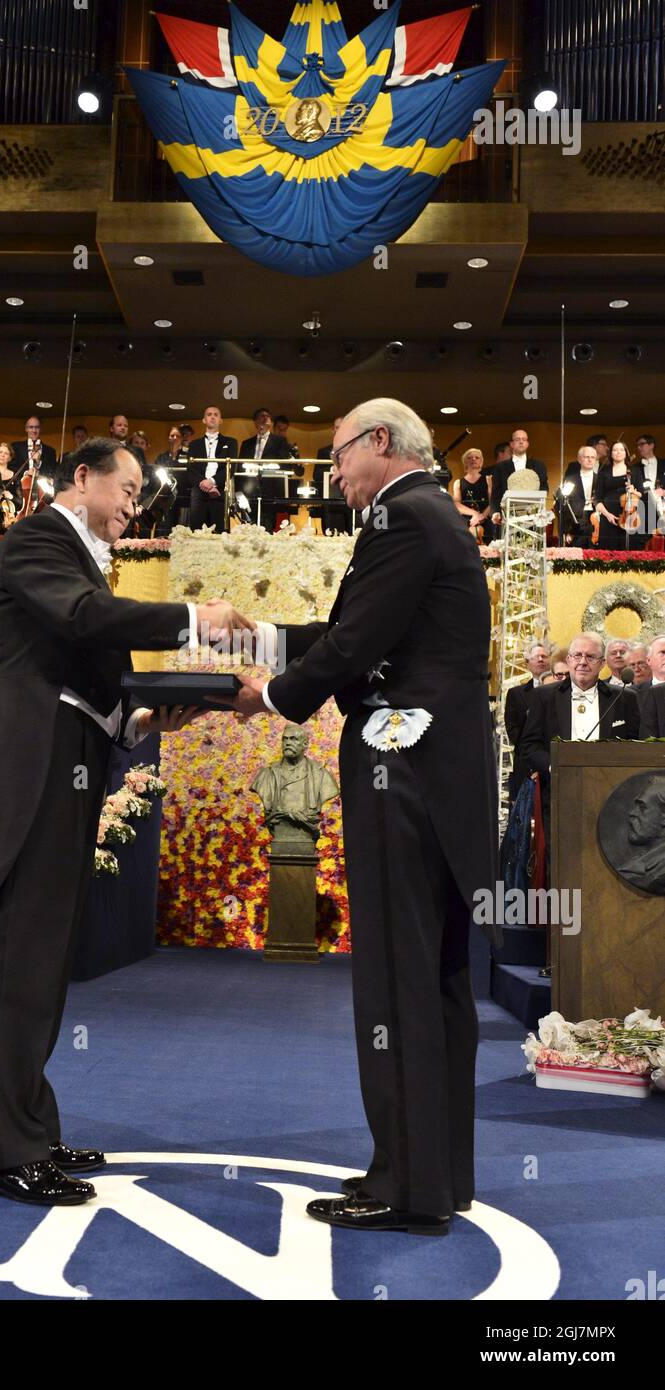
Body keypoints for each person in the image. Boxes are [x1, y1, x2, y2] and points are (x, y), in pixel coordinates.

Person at [0, 436, 256, 1207]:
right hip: (29, 780)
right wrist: (196, 616)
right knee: (18, 957)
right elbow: (87, 621)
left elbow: (90, 680)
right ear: (80, 477)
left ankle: (31, 1131)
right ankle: (5, 1152)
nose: (133, 504)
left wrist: (150, 721)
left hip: (64, 769)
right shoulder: (37, 538)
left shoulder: (77, 556)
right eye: (127, 487)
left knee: (42, 958)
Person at [223, 397, 498, 1236]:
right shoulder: (431, 518)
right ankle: (435, 1174)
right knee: (439, 979)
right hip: (440, 780)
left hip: (399, 773)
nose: (331, 471)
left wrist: (265, 696)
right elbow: (355, 631)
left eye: (338, 453)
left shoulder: (400, 520)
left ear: (379, 443)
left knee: (394, 981)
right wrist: (263, 638)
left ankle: (403, 1185)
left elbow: (349, 646)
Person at [519, 633, 639, 785]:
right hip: (557, 788)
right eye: (577, 655)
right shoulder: (544, 696)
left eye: (590, 657)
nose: (583, 662)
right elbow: (530, 744)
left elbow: (635, 746)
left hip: (611, 789)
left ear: (602, 663)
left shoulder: (624, 697)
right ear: (568, 660)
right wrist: (552, 767)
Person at [504, 641, 551, 801]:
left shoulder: (562, 690)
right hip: (526, 763)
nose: (540, 659)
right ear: (527, 663)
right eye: (536, 657)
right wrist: (533, 752)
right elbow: (513, 730)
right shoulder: (516, 694)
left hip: (554, 759)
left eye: (544, 656)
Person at [186, 406, 238, 532]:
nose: (212, 417)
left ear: (220, 420)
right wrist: (205, 484)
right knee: (197, 531)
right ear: (204, 420)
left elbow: (230, 467)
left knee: (219, 530)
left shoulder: (231, 442)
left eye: (216, 414)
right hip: (199, 490)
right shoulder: (194, 444)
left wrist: (213, 482)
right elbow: (191, 469)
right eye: (209, 414)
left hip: (219, 490)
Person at [490, 429, 549, 527]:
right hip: (508, 516)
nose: (521, 442)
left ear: (527, 444)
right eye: (517, 439)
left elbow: (544, 488)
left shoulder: (539, 465)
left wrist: (536, 507)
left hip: (533, 516)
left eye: (524, 439)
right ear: (511, 444)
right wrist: (495, 512)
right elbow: (496, 493)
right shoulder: (501, 467)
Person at [594, 440, 635, 551]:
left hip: (629, 516)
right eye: (615, 450)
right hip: (608, 517)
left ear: (626, 453)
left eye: (621, 450)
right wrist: (607, 515)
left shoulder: (634, 471)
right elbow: (597, 499)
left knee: (627, 549)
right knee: (608, 550)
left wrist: (633, 491)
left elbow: (642, 494)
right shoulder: (603, 472)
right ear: (611, 453)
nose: (618, 452)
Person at [557, 446, 598, 545]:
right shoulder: (570, 479)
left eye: (592, 457)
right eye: (586, 457)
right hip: (576, 521)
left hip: (596, 519)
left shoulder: (601, 479)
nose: (589, 460)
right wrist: (566, 531)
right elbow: (563, 505)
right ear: (579, 459)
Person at [452, 447, 492, 543]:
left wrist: (482, 516)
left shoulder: (489, 479)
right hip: (466, 520)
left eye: (477, 457)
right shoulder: (458, 482)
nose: (473, 459)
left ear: (481, 462)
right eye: (470, 458)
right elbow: (456, 505)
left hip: (485, 518)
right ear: (465, 462)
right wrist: (475, 514)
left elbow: (493, 502)